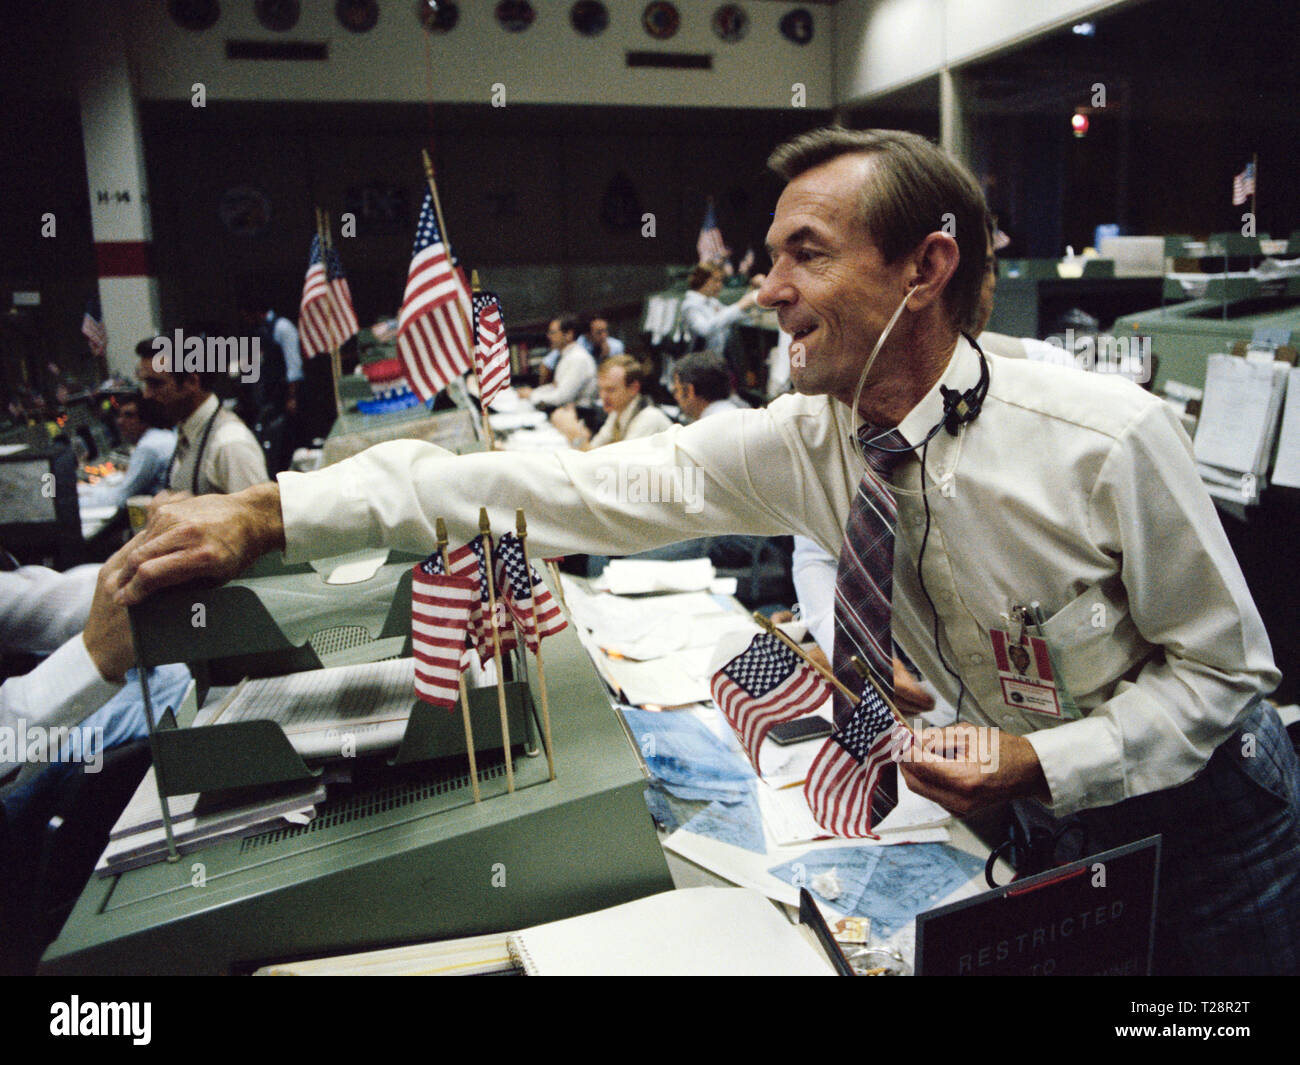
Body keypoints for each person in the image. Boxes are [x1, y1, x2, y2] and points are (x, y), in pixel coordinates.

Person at [111, 128, 1298, 975]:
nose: (762, 291)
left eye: (805, 255)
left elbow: (1226, 674)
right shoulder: (801, 444)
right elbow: (553, 487)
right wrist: (276, 513)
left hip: (1211, 821)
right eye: (768, 256)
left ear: (925, 268)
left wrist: (1041, 758)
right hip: (1042, 825)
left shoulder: (1104, 439)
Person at [135, 340, 269, 495]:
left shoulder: (230, 444)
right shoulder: (188, 430)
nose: (146, 395)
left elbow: (259, 510)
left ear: (192, 382)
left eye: (155, 384)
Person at [552, 355, 671, 450]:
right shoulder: (617, 412)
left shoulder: (649, 418)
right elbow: (594, 451)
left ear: (633, 388)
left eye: (610, 390)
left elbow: (617, 467)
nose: (603, 396)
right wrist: (579, 436)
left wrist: (575, 435)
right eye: (600, 389)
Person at [77, 395, 175, 509]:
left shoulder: (148, 447)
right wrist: (85, 490)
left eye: (129, 416)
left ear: (145, 420)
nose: (120, 421)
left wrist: (73, 503)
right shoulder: (161, 435)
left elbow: (121, 498)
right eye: (119, 415)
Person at [679, 263, 763, 355]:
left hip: (716, 357)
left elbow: (735, 317)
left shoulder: (712, 302)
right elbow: (705, 329)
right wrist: (739, 306)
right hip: (698, 360)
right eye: (716, 281)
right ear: (701, 280)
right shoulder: (690, 305)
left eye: (721, 281)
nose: (720, 285)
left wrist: (751, 292)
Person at [518, 317, 597, 409]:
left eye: (553, 333)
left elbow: (562, 397)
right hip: (568, 410)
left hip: (580, 412)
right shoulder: (568, 355)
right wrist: (533, 392)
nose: (549, 336)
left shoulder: (578, 358)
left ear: (569, 334)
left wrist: (532, 395)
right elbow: (556, 387)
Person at [671, 353, 743, 422]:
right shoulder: (742, 414)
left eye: (676, 390)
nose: (675, 397)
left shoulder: (704, 427)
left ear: (690, 390)